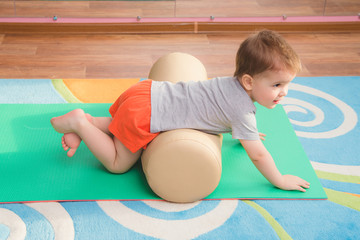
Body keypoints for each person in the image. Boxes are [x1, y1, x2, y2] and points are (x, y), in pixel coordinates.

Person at [51, 30, 310, 192]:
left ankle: (90, 121)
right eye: (277, 85)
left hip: (146, 92)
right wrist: (279, 179)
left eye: (286, 84)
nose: (283, 92)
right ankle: (79, 124)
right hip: (146, 113)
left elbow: (216, 109)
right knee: (118, 164)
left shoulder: (230, 84)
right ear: (249, 82)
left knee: (118, 124)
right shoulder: (242, 111)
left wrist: (245, 133)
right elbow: (259, 156)